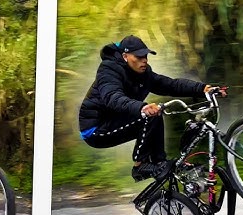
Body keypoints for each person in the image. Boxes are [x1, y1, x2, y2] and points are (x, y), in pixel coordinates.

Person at [78, 35, 225, 181]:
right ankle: (140, 166)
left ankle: (159, 163)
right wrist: (142, 107)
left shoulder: (144, 73)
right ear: (125, 56)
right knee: (149, 115)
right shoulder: (108, 70)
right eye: (139, 57)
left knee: (156, 113)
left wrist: (203, 89)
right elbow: (112, 98)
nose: (144, 61)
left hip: (117, 120)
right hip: (95, 129)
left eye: (146, 56)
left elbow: (170, 85)